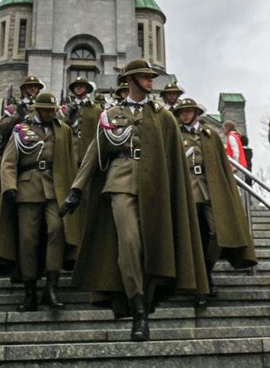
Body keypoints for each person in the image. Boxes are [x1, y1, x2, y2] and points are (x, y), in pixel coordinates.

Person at [59, 58, 208, 342]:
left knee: (153, 245)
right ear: (130, 80)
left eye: (151, 76)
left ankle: (149, 296)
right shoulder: (110, 114)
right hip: (121, 181)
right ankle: (138, 310)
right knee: (129, 243)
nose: (151, 81)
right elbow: (95, 151)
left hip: (156, 186)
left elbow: (174, 158)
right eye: (145, 76)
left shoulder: (163, 116)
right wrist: (76, 189)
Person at [0, 91, 80, 312]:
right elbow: (8, 161)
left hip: (55, 189)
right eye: (47, 110)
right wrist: (9, 187)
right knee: (28, 239)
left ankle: (51, 288)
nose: (51, 114)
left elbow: (69, 162)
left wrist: (73, 189)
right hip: (27, 189)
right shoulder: (21, 130)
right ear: (38, 109)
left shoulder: (63, 130)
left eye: (53, 110)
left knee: (56, 230)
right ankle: (30, 292)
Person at [174, 98, 257, 306]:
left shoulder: (210, 134)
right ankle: (202, 282)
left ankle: (206, 268)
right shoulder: (175, 134)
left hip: (210, 188)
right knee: (192, 234)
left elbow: (220, 163)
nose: (185, 114)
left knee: (217, 231)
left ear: (195, 112)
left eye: (188, 111)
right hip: (188, 188)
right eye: (182, 111)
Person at [0, 75, 44, 204]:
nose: (33, 89)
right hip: (14, 149)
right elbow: (0, 129)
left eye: (35, 86)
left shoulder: (41, 107)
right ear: (24, 89)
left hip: (35, 151)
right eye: (30, 86)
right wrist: (17, 115)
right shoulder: (14, 107)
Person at [63, 76, 102, 165]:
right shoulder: (66, 109)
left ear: (87, 89)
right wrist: (67, 116)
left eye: (82, 86)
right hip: (71, 151)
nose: (78, 88)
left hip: (89, 151)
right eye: (76, 86)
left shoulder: (96, 110)